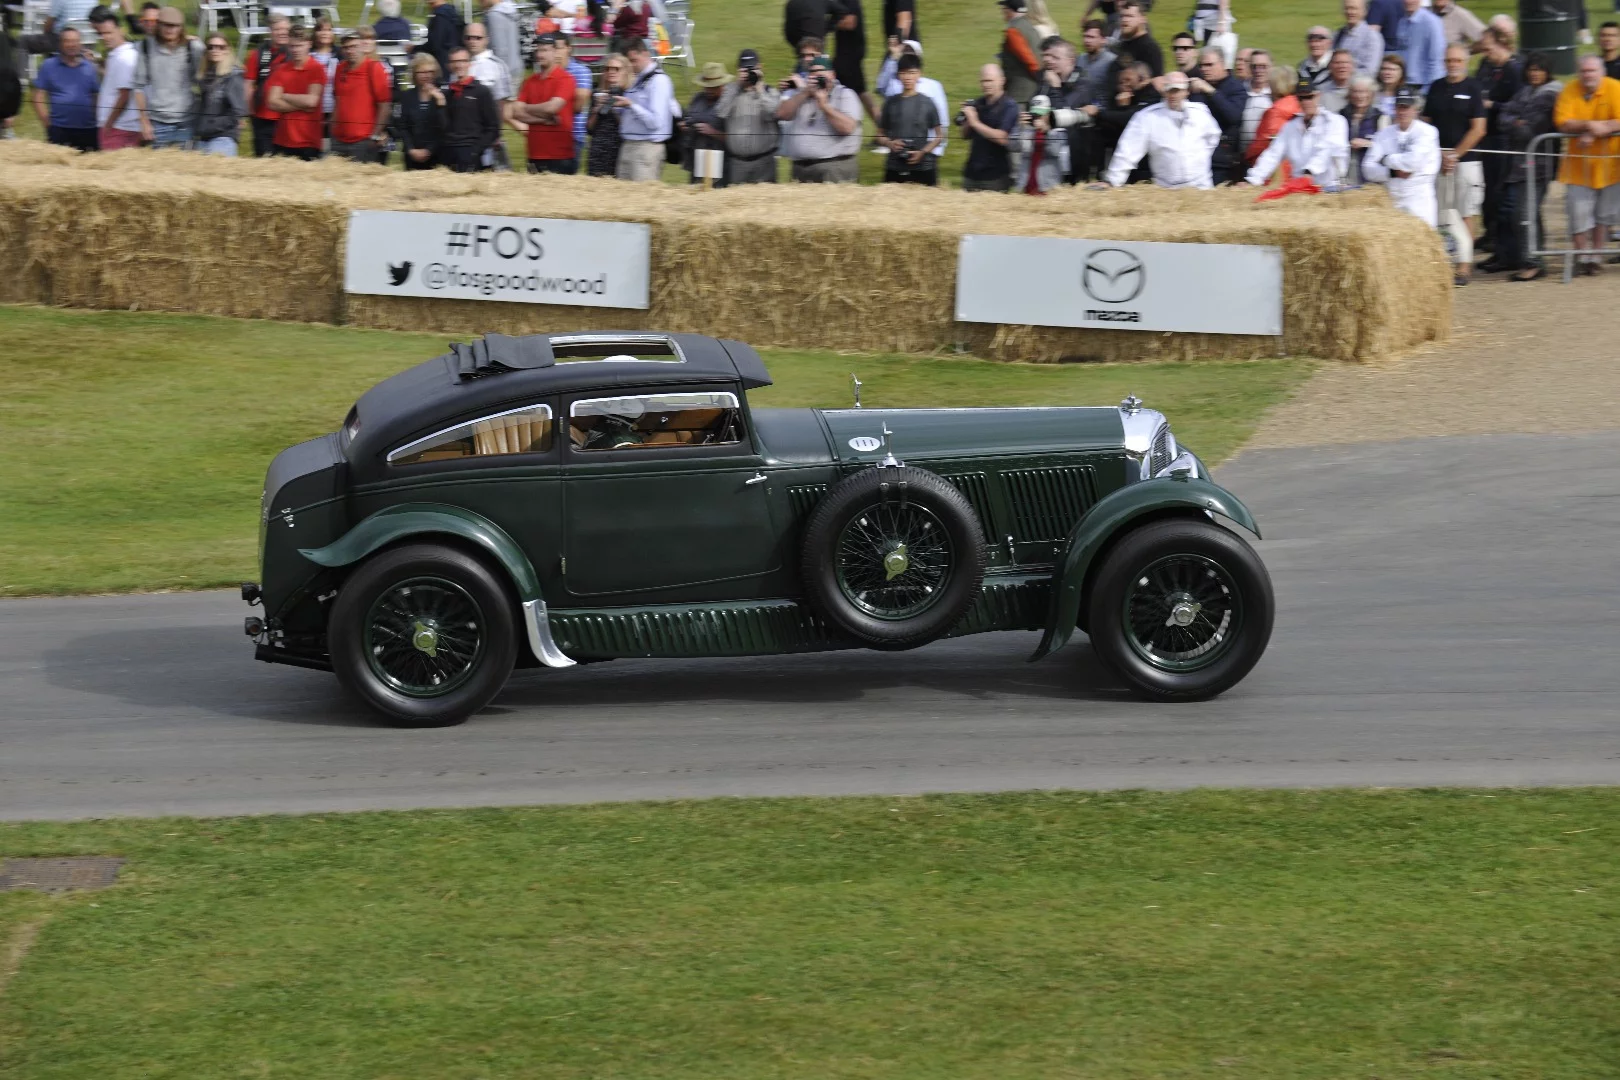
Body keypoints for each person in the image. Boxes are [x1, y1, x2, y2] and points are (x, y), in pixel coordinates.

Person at [1423, 44, 1486, 284]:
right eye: (1449, 60)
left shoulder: (1473, 88)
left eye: (1458, 60)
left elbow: (1478, 128)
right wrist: (1439, 155)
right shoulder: (1436, 87)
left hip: (1466, 160)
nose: (1453, 64)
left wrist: (1455, 155)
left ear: (1465, 62)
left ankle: (1464, 265)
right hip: (1438, 159)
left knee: (1466, 212)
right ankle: (1443, 261)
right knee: (1442, 211)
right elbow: (1426, 124)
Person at [1093, 70, 1220, 188]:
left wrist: (1197, 158)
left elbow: (1213, 138)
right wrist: (1112, 180)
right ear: (1164, 91)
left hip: (1201, 186)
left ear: (1186, 92)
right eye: (1169, 90)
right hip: (1167, 188)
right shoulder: (1147, 117)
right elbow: (1128, 149)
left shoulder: (1200, 113)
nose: (1172, 95)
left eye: (1177, 90)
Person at [1553, 54, 1620, 275]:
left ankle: (1596, 257)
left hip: (1610, 167)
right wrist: (1591, 126)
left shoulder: (1615, 88)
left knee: (1603, 215)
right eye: (1584, 71)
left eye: (1592, 71)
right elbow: (1563, 121)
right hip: (1578, 168)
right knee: (1578, 213)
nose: (1587, 75)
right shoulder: (1570, 89)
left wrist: (1602, 128)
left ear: (1601, 72)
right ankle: (1582, 256)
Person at [1496, 53, 1560, 280]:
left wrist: (1516, 122)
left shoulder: (1551, 94)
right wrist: (1516, 122)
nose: (1534, 73)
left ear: (1547, 72)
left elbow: (1530, 129)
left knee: (1524, 213)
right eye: (1531, 69)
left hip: (1540, 164)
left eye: (1539, 69)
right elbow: (1502, 117)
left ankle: (1532, 261)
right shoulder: (1524, 91)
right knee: (1525, 213)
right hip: (1520, 163)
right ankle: (1534, 257)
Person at [1472, 27, 1522, 267]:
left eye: (1490, 48)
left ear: (1503, 44)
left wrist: (1491, 104)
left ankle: (1504, 250)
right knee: (1489, 192)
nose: (1486, 52)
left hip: (1503, 139)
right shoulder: (1488, 66)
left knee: (1500, 194)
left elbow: (1519, 106)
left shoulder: (1514, 70)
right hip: (1488, 136)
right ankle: (1493, 239)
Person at [1241, 82, 1350, 187]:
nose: (1305, 102)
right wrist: (1253, 180)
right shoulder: (1291, 126)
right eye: (1301, 98)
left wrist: (1309, 172)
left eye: (1309, 97)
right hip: (1299, 188)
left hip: (1328, 187)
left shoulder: (1334, 121)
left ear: (1318, 96)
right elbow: (1273, 154)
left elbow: (1326, 149)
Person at [776, 52, 861, 182]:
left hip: (833, 169)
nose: (816, 75)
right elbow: (782, 114)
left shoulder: (845, 94)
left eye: (821, 71)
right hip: (801, 169)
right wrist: (804, 93)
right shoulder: (802, 94)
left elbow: (847, 128)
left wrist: (824, 105)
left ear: (832, 75)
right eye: (812, 72)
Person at [1361, 89, 1442, 223]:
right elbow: (1367, 168)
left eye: (1406, 107)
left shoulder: (1427, 132)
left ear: (1415, 109)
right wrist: (1392, 173)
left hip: (1419, 198)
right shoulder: (1384, 134)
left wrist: (1385, 159)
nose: (1402, 112)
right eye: (1399, 107)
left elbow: (1413, 162)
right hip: (1392, 198)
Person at [133, 6, 204, 148]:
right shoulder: (145, 47)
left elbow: (205, 80)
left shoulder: (194, 47)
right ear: (158, 24)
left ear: (181, 27)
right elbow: (138, 87)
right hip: (158, 122)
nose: (170, 30)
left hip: (187, 121)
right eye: (167, 25)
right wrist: (144, 121)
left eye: (175, 26)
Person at [875, 39, 948, 163]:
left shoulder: (933, 85)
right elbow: (881, 86)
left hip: (927, 151)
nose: (907, 54)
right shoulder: (896, 85)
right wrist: (893, 58)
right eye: (904, 51)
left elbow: (942, 121)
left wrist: (934, 150)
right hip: (898, 153)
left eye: (911, 51)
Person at [614, 36, 675, 181]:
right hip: (628, 145)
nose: (631, 66)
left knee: (642, 200)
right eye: (628, 62)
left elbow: (656, 122)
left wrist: (631, 105)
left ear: (646, 54)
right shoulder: (635, 80)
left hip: (647, 148)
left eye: (634, 60)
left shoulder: (659, 81)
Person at [514, 33, 577, 173]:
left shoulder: (566, 79)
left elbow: (552, 108)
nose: (540, 54)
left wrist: (526, 108)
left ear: (555, 52)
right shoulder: (529, 81)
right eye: (538, 50)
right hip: (534, 154)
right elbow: (516, 112)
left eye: (545, 50)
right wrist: (542, 119)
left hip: (560, 156)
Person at [716, 47, 780, 183]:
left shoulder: (770, 92)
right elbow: (720, 113)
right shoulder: (731, 91)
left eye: (752, 69)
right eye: (745, 69)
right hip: (738, 163)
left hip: (765, 162)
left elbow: (774, 113)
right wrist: (738, 85)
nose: (748, 73)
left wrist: (759, 89)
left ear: (760, 68)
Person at [32, 28, 100, 151]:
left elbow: (96, 96)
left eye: (75, 41)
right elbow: (38, 97)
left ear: (80, 44)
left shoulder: (90, 67)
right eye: (67, 41)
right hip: (59, 129)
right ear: (60, 44)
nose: (72, 45)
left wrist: (97, 120)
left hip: (88, 129)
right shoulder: (48, 65)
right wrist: (47, 123)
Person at [875, 52, 939, 183]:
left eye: (912, 72)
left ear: (919, 74)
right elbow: (879, 135)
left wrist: (923, 152)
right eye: (903, 73)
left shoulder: (927, 102)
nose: (908, 77)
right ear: (898, 75)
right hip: (894, 166)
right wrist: (889, 143)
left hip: (923, 167)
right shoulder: (890, 103)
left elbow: (939, 136)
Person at [265, 26, 327, 161]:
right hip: (283, 139)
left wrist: (284, 95)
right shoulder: (281, 69)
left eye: (300, 46)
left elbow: (311, 102)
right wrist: (301, 104)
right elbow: (271, 103)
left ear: (309, 44)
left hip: (308, 141)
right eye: (292, 46)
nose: (296, 50)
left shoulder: (316, 68)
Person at [330, 31, 392, 163]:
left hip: (362, 141)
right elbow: (338, 100)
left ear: (362, 46)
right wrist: (332, 129)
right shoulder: (340, 69)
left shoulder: (374, 68)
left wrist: (375, 136)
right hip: (338, 139)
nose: (350, 51)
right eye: (346, 47)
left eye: (354, 46)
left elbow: (384, 105)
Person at [958, 62, 1018, 191]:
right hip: (972, 173)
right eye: (983, 81)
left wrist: (975, 123)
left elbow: (1002, 138)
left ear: (1002, 81)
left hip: (995, 177)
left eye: (990, 81)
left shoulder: (1009, 106)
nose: (986, 85)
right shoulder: (978, 103)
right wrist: (967, 120)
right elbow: (964, 135)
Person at [1190, 46, 1245, 183]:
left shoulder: (1236, 87)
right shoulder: (1196, 88)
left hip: (1221, 161)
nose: (1204, 69)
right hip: (1195, 157)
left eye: (1209, 65)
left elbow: (1234, 116)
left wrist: (1210, 91)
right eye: (1201, 65)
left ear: (1223, 64)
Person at [440, 46, 500, 170]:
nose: (459, 65)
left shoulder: (482, 91)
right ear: (449, 66)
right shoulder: (446, 93)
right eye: (454, 62)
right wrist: (440, 104)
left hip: (472, 154)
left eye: (462, 61)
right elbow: (443, 127)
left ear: (470, 64)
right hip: (449, 154)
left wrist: (476, 151)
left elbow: (493, 127)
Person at [90, 6, 143, 150]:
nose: (105, 37)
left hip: (119, 129)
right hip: (117, 127)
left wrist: (108, 124)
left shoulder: (126, 57)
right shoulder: (117, 54)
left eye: (109, 33)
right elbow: (115, 82)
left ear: (121, 30)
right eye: (101, 34)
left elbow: (124, 95)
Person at [465, 22, 516, 169]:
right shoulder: (460, 63)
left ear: (486, 39)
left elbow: (502, 103)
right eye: (469, 37)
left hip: (487, 132)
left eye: (477, 37)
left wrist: (496, 134)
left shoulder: (496, 65)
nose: (472, 41)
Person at [192, 32, 246, 156]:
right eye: (210, 47)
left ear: (227, 50)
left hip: (223, 138)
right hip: (202, 137)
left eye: (220, 47)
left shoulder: (234, 76)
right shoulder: (204, 75)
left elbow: (238, 112)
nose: (215, 50)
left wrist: (212, 124)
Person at [244, 15, 290, 157]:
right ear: (270, 31)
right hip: (263, 117)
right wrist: (250, 112)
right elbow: (248, 85)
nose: (282, 32)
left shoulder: (297, 53)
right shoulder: (257, 54)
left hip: (289, 118)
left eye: (285, 29)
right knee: (264, 159)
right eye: (278, 29)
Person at [392, 53, 447, 168]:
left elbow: (444, 128)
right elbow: (402, 126)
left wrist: (429, 150)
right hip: (412, 157)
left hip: (438, 157)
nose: (426, 75)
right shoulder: (406, 96)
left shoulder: (444, 95)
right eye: (422, 72)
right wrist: (410, 149)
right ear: (414, 74)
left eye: (430, 71)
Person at [679, 61, 729, 184]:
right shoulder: (698, 98)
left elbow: (738, 138)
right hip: (697, 158)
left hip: (721, 161)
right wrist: (686, 126)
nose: (709, 90)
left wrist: (713, 132)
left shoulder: (731, 103)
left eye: (713, 87)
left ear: (722, 85)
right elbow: (689, 118)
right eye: (707, 86)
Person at [1245, 66, 1299, 173]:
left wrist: (1249, 154)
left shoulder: (1276, 111)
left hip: (1274, 169)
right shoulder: (1298, 105)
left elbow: (1266, 140)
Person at [1010, 93, 1067, 192]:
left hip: (1048, 186)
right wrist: (1019, 128)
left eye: (1041, 114)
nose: (1037, 118)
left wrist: (1046, 131)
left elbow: (1054, 151)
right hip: (1026, 185)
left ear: (1049, 114)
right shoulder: (1027, 129)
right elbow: (1013, 147)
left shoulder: (1058, 130)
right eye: (1035, 115)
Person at [585, 51, 627, 175]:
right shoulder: (597, 93)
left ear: (624, 71)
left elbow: (627, 126)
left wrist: (613, 106)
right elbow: (589, 129)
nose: (611, 72)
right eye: (608, 68)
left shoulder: (628, 93)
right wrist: (596, 110)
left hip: (619, 148)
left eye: (616, 69)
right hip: (598, 148)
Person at [998, 0, 1043, 106]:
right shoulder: (1029, 26)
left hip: (1020, 93)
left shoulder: (1013, 30)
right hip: (1032, 89)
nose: (1002, 11)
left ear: (1009, 10)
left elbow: (1029, 59)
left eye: (1004, 8)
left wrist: (1039, 77)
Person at [1393, 0, 1445, 92]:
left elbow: (1437, 58)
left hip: (1422, 85)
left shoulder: (1431, 22)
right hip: (1404, 83)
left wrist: (1430, 89)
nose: (1409, 1)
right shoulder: (1402, 21)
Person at [556, 35, 592, 163]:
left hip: (573, 135)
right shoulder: (547, 72)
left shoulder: (581, 71)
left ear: (568, 49)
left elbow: (579, 105)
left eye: (558, 48)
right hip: (549, 134)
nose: (555, 52)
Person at [1341, 74, 1383, 182]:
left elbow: (1386, 148)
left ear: (1372, 94)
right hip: (1345, 177)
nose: (1360, 96)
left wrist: (1368, 144)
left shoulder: (1380, 117)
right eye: (1356, 91)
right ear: (1350, 94)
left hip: (1370, 181)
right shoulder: (1340, 116)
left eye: (1364, 91)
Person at [830, 0, 867, 112]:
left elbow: (850, 22)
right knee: (861, 92)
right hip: (847, 55)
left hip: (848, 57)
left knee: (835, 92)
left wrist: (825, 24)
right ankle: (883, 125)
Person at [1109, 2, 1162, 80]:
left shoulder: (1150, 48)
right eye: (1122, 16)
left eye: (1129, 16)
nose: (1124, 20)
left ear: (1143, 19)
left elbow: (1157, 82)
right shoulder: (1123, 45)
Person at [1335, 0, 1384, 78]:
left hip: (1358, 86)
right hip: (1335, 85)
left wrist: (1344, 76)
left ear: (1364, 11)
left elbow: (1370, 71)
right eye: (1347, 8)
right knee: (1308, 84)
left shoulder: (1372, 37)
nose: (1350, 12)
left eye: (1354, 8)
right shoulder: (1338, 35)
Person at [1238, 49, 1272, 161]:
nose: (1258, 70)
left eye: (1263, 66)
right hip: (1242, 155)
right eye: (1254, 66)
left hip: (1268, 156)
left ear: (1271, 67)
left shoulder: (1276, 92)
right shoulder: (1240, 89)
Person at [1076, 19, 1116, 107]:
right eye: (1085, 36)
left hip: (1098, 110)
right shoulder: (1080, 58)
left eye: (1091, 37)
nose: (1086, 40)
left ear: (1103, 40)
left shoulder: (1112, 62)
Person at [481, 0, 523, 79]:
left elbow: (499, 49)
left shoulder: (494, 16)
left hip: (501, 73)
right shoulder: (510, 11)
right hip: (515, 66)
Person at [424, 0, 466, 73]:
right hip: (454, 64)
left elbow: (435, 45)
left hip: (443, 67)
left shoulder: (440, 16)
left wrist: (415, 49)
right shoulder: (452, 12)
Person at [1318, 49, 1356, 113]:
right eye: (1337, 63)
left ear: (1352, 66)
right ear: (1330, 66)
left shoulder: (1361, 89)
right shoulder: (1320, 92)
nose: (1342, 66)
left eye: (1346, 62)